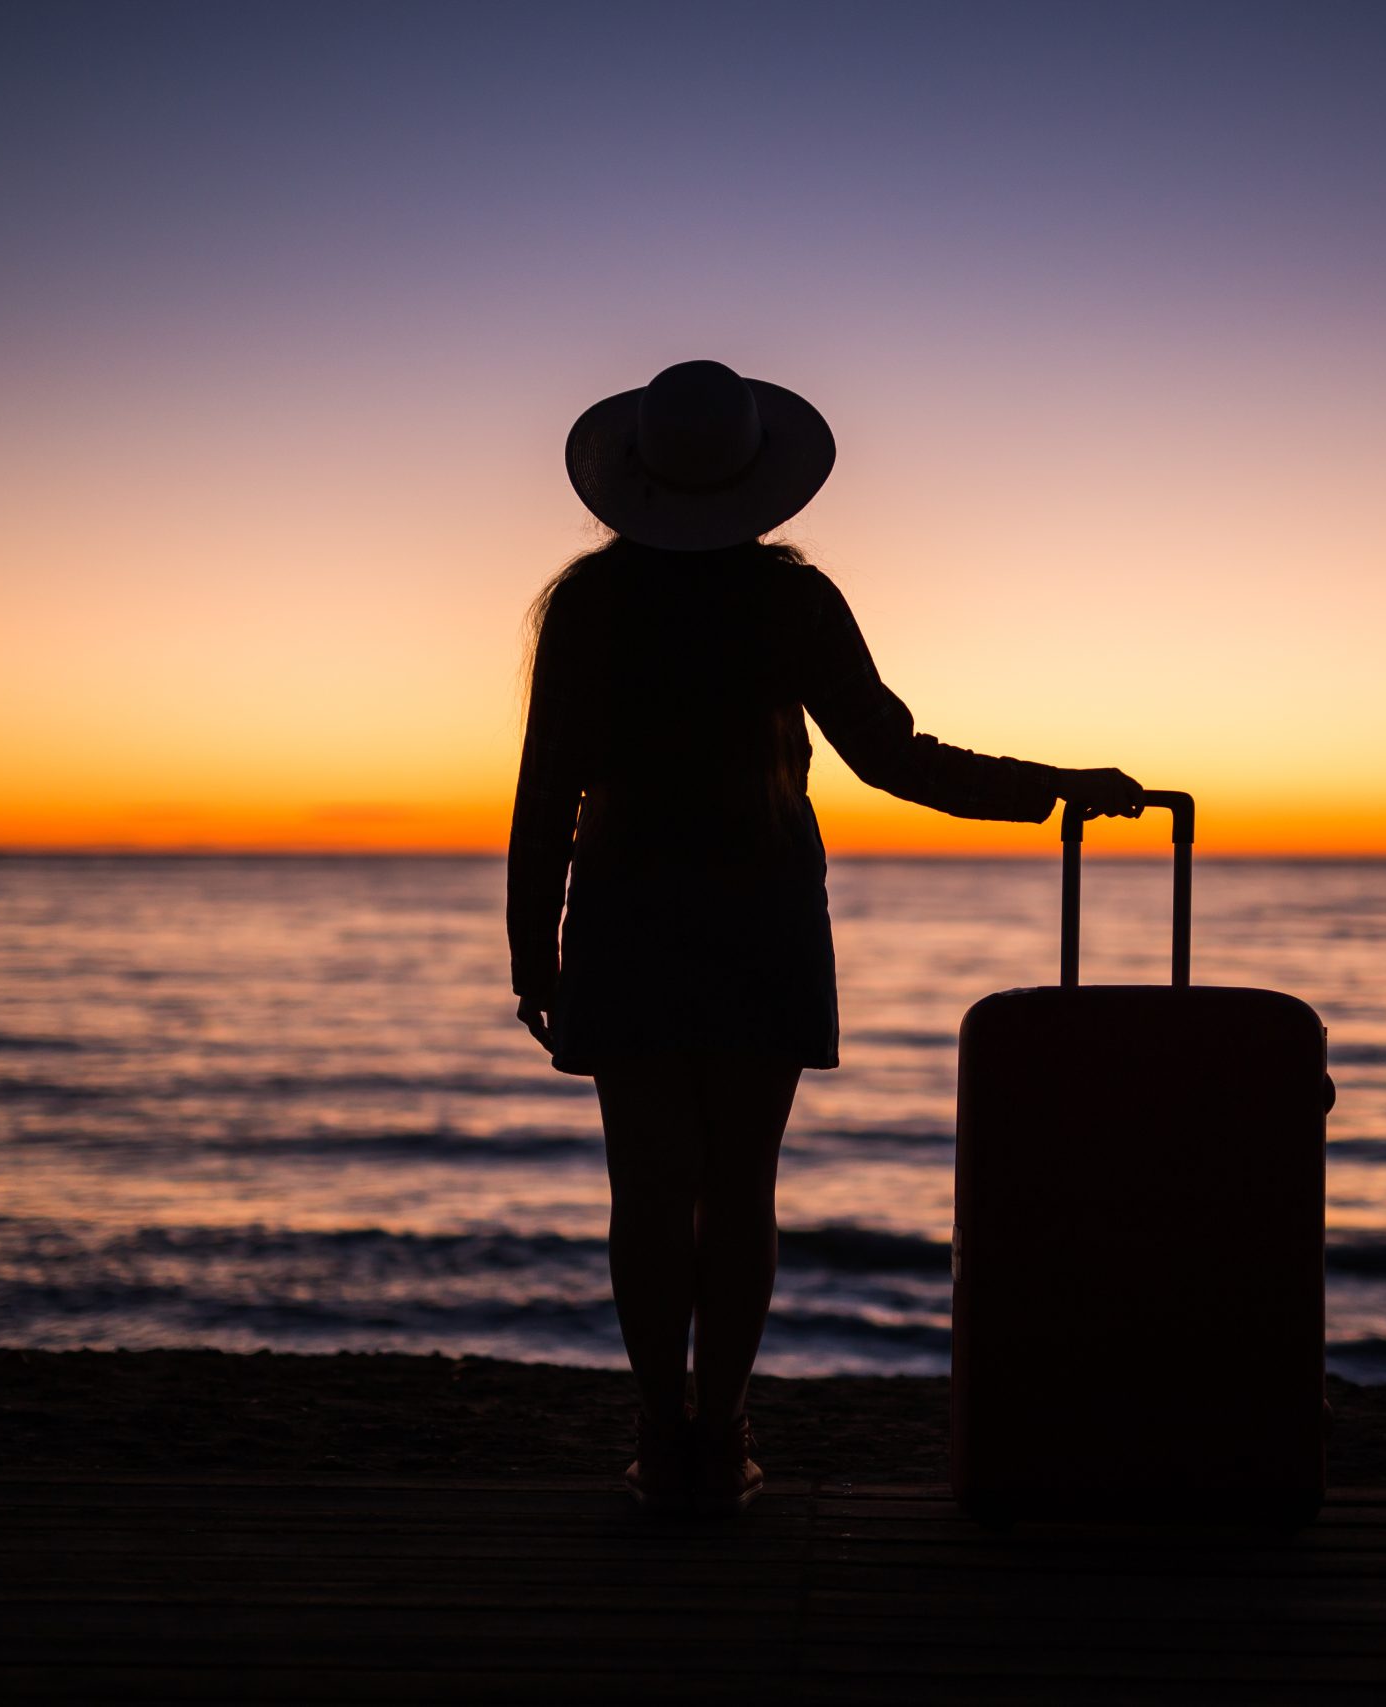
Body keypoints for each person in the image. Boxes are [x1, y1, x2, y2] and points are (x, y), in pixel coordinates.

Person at [509, 359, 1143, 1514]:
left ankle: (664, 1442)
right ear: (754, 478)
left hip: (627, 910)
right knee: (740, 1190)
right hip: (759, 907)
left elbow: (546, 792)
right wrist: (1049, 787)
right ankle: (719, 1432)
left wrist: (531, 950)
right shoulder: (787, 601)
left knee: (648, 1195)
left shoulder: (590, 608)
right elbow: (891, 757)